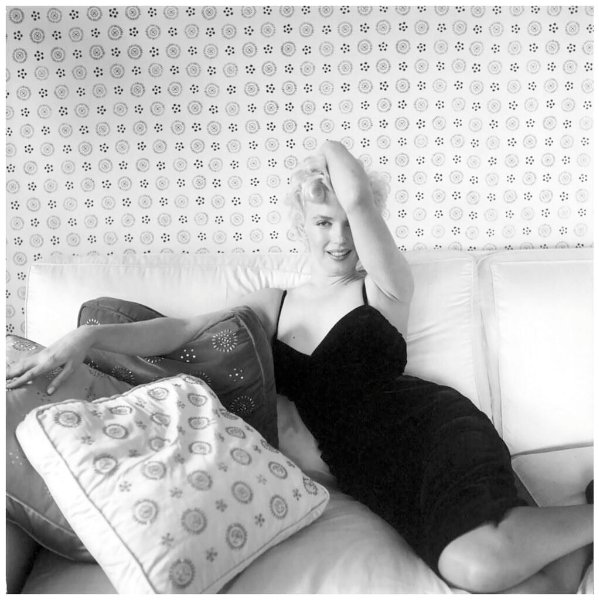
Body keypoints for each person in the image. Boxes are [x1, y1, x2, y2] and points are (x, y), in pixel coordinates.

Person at [7, 141, 592, 593]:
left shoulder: (385, 288)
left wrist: (329, 163)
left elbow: (358, 198)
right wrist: (86, 336)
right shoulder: (273, 303)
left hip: (432, 435)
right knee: (546, 587)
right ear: (300, 227)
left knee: (478, 566)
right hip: (375, 474)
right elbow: (180, 332)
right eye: (322, 222)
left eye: (349, 222)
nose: (339, 238)